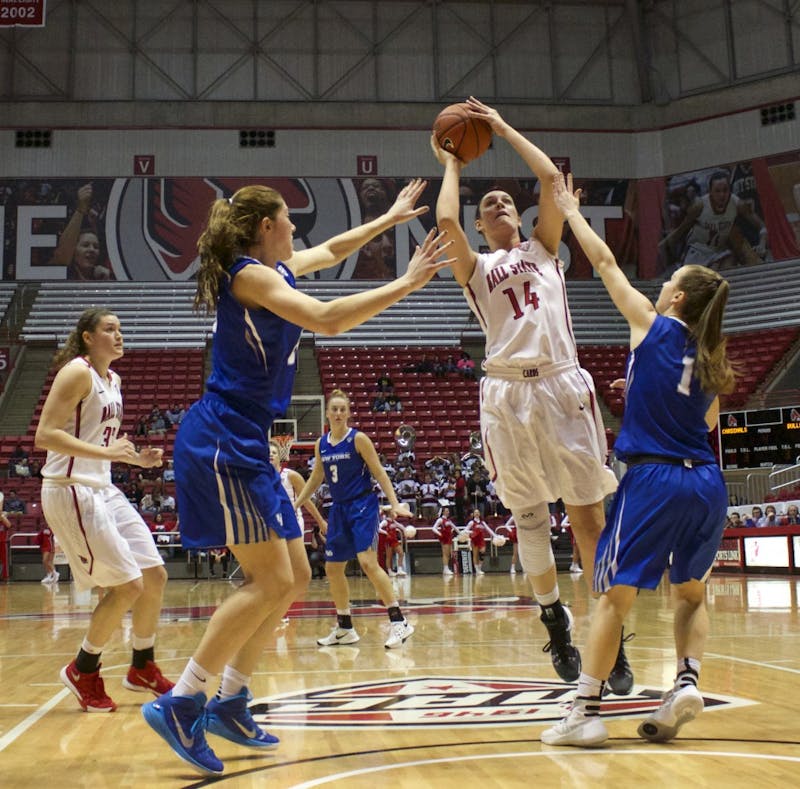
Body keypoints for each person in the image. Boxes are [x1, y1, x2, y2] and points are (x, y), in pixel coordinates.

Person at [141, 180, 452, 775]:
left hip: (247, 439)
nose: (295, 230)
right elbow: (329, 320)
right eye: (288, 219)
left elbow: (332, 252)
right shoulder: (251, 275)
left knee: (294, 577)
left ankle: (230, 698)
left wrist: (386, 220)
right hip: (223, 439)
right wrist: (407, 284)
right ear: (265, 226)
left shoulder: (272, 269)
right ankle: (184, 700)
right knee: (266, 581)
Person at [432, 97, 621, 685]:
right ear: (483, 227)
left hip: (563, 383)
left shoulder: (545, 248)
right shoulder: (477, 266)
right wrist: (452, 161)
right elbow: (443, 223)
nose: (499, 205)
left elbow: (548, 178)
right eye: (488, 207)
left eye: (505, 201)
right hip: (508, 395)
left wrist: (500, 127)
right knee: (530, 518)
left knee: (589, 519)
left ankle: (612, 636)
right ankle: (554, 621)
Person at [541, 171, 733, 747]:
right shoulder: (710, 356)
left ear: (675, 298)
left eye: (668, 281)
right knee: (691, 592)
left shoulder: (651, 328)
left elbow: (603, 264)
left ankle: (584, 712)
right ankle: (686, 680)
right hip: (706, 483)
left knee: (612, 598)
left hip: (653, 479)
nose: (659, 288)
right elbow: (711, 422)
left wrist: (572, 213)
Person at [34, 308, 173, 713]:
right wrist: (109, 453)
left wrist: (135, 460)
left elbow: (100, 444)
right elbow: (46, 434)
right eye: (109, 329)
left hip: (102, 486)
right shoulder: (76, 373)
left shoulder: (113, 380)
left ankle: (142, 665)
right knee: (127, 586)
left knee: (154, 575)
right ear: (88, 337)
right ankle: (83, 669)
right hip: (70, 489)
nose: (119, 334)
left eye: (120, 328)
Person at [295, 389, 416, 651]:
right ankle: (345, 627)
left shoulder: (358, 439)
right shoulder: (322, 444)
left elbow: (380, 473)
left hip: (362, 505)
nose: (338, 413)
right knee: (333, 568)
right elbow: (317, 477)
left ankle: (399, 621)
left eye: (342, 409)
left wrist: (394, 503)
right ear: (327, 413)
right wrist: (297, 502)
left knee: (367, 563)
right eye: (334, 409)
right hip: (338, 509)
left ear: (348, 413)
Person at [659, 169, 769, 270]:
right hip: (697, 253)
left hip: (718, 251)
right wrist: (663, 245)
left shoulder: (737, 204)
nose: (722, 195)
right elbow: (681, 230)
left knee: (729, 262)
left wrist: (762, 244)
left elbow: (762, 227)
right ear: (710, 192)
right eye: (717, 191)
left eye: (725, 190)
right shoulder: (699, 206)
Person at [462, 508, 495, 575]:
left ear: (479, 514)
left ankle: (479, 567)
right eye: (475, 512)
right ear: (473, 514)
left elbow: (488, 529)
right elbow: (465, 530)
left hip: (481, 539)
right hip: (474, 539)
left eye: (478, 512)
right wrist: (472, 532)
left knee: (482, 552)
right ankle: (477, 570)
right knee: (475, 555)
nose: (477, 513)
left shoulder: (482, 522)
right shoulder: (471, 522)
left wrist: (495, 535)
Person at [432, 506, 457, 576]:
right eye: (446, 511)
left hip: (449, 538)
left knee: (449, 553)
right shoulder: (440, 520)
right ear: (443, 512)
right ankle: (445, 569)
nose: (448, 512)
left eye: (448, 511)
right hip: (444, 538)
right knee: (445, 553)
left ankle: (446, 568)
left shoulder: (449, 520)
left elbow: (455, 528)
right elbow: (433, 528)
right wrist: (440, 534)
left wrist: (461, 533)